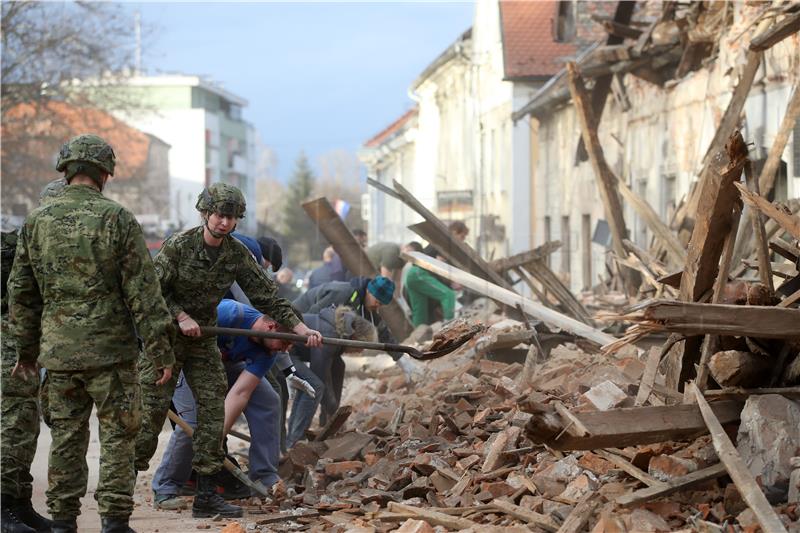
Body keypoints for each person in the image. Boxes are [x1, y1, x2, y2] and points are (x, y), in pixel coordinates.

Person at [8, 134, 176, 533]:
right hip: (112, 355)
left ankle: (63, 522)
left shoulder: (36, 221)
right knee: (118, 438)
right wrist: (160, 351)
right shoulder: (116, 218)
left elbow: (21, 293)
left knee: (66, 437)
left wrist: (26, 352)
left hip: (58, 355)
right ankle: (114, 522)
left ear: (65, 170)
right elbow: (145, 293)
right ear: (105, 173)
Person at [134, 182, 323, 519]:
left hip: (202, 342)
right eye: (220, 215)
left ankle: (206, 496)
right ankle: (119, 493)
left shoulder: (235, 253)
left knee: (211, 416)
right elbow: (152, 292)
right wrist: (181, 315)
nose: (224, 222)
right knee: (149, 419)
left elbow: (267, 295)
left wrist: (300, 328)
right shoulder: (178, 246)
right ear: (206, 213)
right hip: (168, 340)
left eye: (231, 217)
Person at [151, 300, 317, 509]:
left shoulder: (269, 351)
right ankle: (166, 486)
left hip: (225, 366)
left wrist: (214, 440)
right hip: (185, 363)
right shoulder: (228, 314)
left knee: (268, 401)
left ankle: (265, 476)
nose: (286, 350)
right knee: (193, 424)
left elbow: (241, 392)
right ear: (271, 327)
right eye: (286, 343)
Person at [0, 178, 67, 533]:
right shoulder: (12, 246)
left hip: (38, 346)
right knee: (13, 422)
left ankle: (20, 503)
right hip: (11, 348)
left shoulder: (65, 251)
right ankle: (3, 507)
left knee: (26, 426)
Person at [292, 275, 422, 381]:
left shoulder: (368, 306)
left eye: (381, 304)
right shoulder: (343, 293)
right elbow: (313, 316)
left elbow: (383, 333)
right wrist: (307, 351)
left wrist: (402, 361)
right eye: (377, 301)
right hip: (292, 326)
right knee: (315, 383)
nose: (377, 306)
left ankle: (329, 412)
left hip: (317, 340)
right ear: (369, 291)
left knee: (338, 367)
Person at [288, 306, 376, 438]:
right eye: (362, 346)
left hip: (294, 352)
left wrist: (332, 414)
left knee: (339, 365)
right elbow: (320, 374)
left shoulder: (340, 331)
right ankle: (294, 441)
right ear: (354, 337)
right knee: (314, 386)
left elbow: (331, 372)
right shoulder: (329, 335)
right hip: (284, 350)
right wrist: (335, 412)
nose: (361, 352)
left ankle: (325, 425)